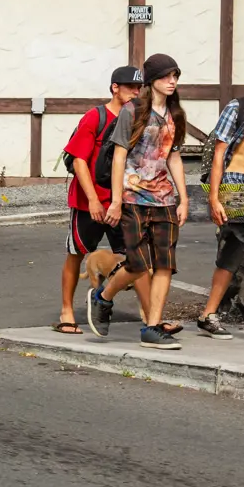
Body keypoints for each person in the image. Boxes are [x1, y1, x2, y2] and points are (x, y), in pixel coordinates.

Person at [87, 53, 188, 349]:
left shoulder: (176, 115)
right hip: (133, 197)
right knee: (138, 264)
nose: (172, 82)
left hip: (164, 198)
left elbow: (174, 156)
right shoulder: (131, 111)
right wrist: (116, 201)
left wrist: (182, 198)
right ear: (152, 80)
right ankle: (103, 296)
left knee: (165, 264)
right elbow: (119, 155)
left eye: (175, 76)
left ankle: (152, 327)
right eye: (167, 76)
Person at [53, 66, 142, 334]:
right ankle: (66, 311)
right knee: (76, 253)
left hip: (123, 200)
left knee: (136, 257)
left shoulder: (138, 118)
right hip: (88, 200)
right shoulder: (95, 117)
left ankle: (149, 317)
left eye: (139, 88)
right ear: (115, 87)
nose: (135, 92)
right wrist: (92, 199)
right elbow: (79, 160)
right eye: (130, 87)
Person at [197, 59, 244, 338]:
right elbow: (219, 153)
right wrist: (214, 198)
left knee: (232, 255)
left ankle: (208, 314)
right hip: (233, 186)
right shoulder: (238, 108)